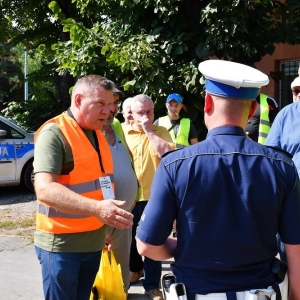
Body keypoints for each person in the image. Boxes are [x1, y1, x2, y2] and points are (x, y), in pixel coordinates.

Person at [136, 60, 300, 300]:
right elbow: (295, 251)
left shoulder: (174, 165)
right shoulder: (282, 166)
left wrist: (185, 247)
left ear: (208, 102)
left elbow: (146, 246)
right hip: (261, 292)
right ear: (253, 109)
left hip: (195, 291)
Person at [33, 75, 133, 300]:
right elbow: (45, 189)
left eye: (110, 104)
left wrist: (104, 225)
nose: (108, 111)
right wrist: (99, 210)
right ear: (78, 100)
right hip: (62, 246)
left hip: (94, 241)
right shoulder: (54, 134)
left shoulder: (98, 132)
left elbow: (101, 182)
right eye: (100, 103)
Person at [122, 94, 174, 300]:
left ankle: (152, 285)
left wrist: (149, 131)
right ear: (132, 114)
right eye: (140, 113)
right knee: (129, 240)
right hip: (130, 198)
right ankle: (135, 270)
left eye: (149, 112)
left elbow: (168, 155)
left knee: (153, 243)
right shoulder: (123, 132)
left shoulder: (161, 132)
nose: (145, 116)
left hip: (155, 197)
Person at [101, 85, 138, 293]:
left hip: (124, 214)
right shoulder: (88, 131)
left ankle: (121, 294)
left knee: (122, 268)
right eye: (107, 103)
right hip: (102, 216)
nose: (112, 108)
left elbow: (128, 160)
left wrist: (135, 192)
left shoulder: (116, 126)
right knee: (101, 273)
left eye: (115, 103)